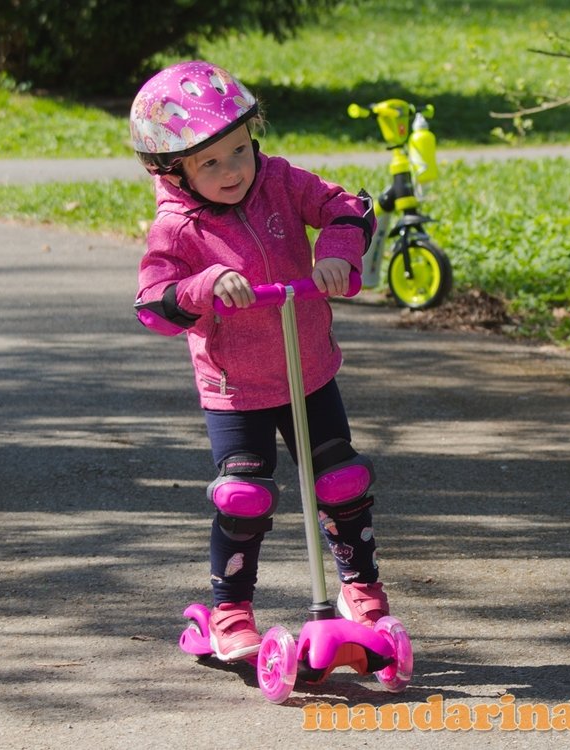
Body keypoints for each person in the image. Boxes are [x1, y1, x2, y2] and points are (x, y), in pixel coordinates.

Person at [130, 60, 390, 662]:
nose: (233, 171)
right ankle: (231, 610)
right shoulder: (177, 227)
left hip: (309, 369)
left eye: (240, 150)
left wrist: (335, 254)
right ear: (174, 170)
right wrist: (205, 285)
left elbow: (347, 208)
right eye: (211, 162)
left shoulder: (278, 181)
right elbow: (154, 304)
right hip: (236, 386)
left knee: (342, 483)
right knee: (244, 495)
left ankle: (362, 590)